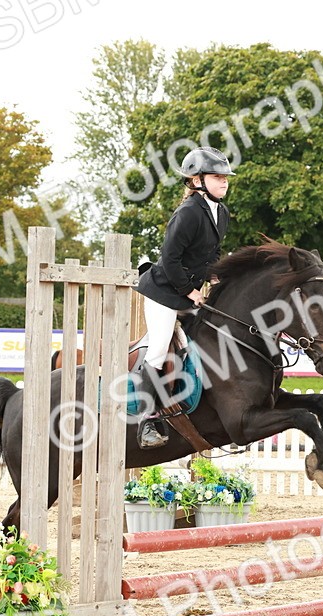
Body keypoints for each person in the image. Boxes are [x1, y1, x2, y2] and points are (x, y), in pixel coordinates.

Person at [133, 146, 233, 449]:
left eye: (226, 178)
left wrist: (216, 279)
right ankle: (147, 420)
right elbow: (171, 258)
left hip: (188, 293)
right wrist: (191, 291)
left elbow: (210, 255)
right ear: (196, 180)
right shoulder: (188, 212)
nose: (224, 182)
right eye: (217, 177)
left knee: (210, 338)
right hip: (163, 292)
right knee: (160, 348)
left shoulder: (221, 212)